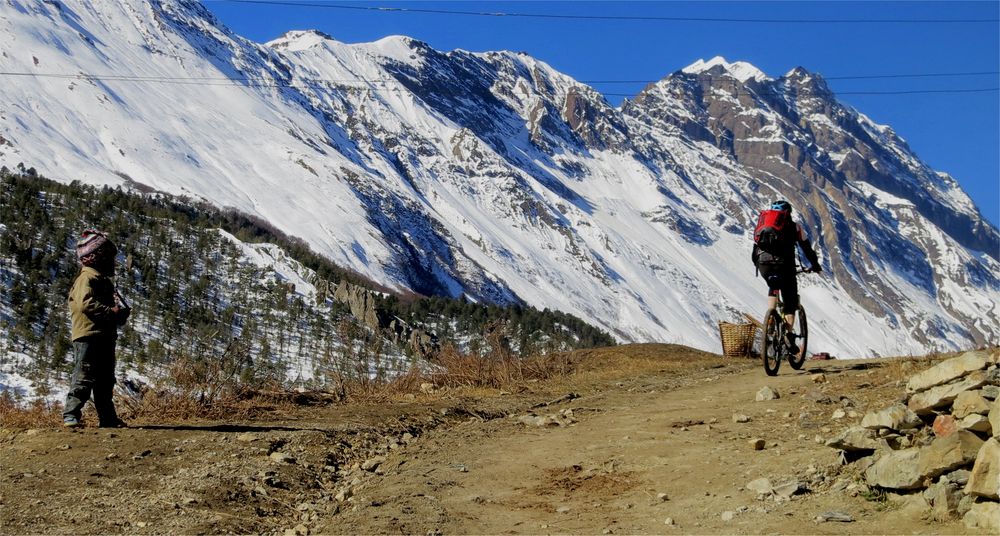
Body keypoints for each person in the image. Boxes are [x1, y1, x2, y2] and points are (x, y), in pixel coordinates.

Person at [63, 230, 131, 428]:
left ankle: (107, 418)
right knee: (83, 375)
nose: (112, 261)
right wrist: (111, 312)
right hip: (88, 335)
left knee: (105, 379)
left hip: (103, 335)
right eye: (108, 256)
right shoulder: (87, 279)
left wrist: (118, 314)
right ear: (96, 257)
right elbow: (86, 303)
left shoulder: (101, 280)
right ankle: (71, 414)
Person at [751, 200, 821, 354]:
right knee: (790, 302)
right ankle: (788, 334)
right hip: (785, 266)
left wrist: (760, 265)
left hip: (764, 265)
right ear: (788, 213)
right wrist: (815, 265)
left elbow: (755, 250)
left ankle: (771, 315)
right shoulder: (794, 227)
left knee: (773, 285)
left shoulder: (763, 226)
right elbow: (807, 248)